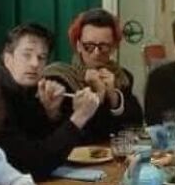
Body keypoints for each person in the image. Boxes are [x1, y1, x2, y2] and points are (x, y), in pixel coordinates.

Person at [0, 22, 101, 180]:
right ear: (8, 59)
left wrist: (52, 114)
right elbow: (35, 163)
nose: (35, 63)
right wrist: (80, 117)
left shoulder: (29, 88)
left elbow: (50, 147)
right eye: (27, 55)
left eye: (41, 57)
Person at [42, 8, 143, 142]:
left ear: (113, 47)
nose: (96, 53)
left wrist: (113, 97)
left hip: (111, 157)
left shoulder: (122, 77)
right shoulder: (60, 77)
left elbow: (135, 125)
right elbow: (77, 136)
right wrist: (98, 98)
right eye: (88, 46)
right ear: (78, 45)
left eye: (103, 46)